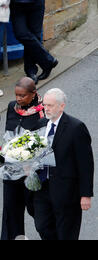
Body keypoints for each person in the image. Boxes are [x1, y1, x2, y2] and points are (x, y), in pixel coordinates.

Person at [33, 88, 93, 240]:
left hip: (66, 191)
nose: (46, 108)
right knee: (42, 226)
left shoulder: (76, 128)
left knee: (66, 232)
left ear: (62, 106)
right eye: (44, 105)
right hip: (42, 187)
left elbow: (86, 164)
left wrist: (85, 194)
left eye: (50, 105)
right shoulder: (40, 124)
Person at [0, 77, 43, 240]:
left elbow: (44, 144)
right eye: (16, 95)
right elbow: (7, 133)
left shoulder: (42, 111)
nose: (18, 99)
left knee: (35, 210)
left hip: (30, 172)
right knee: (11, 210)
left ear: (33, 94)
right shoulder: (12, 107)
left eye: (22, 95)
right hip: (12, 169)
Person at [10, 0, 58, 84]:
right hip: (17, 5)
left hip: (36, 4)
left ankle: (31, 72)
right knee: (21, 34)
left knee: (35, 36)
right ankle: (48, 61)